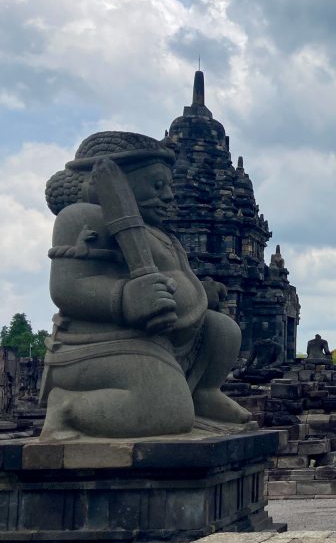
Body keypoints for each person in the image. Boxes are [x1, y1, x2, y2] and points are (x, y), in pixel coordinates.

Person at [40, 131, 250, 439]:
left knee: (223, 329)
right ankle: (66, 406)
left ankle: (203, 391)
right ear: (119, 182)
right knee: (166, 410)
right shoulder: (82, 217)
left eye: (170, 187)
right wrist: (124, 298)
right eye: (157, 185)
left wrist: (200, 294)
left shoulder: (157, 233)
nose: (168, 196)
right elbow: (67, 288)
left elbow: (175, 275)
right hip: (104, 343)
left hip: (171, 338)